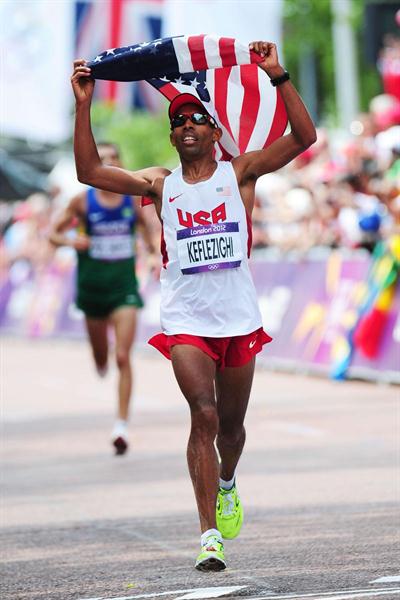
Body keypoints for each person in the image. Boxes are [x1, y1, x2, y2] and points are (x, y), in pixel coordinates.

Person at [70, 40, 316, 570]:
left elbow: (304, 137)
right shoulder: (160, 185)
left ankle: (227, 481)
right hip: (185, 320)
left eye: (196, 120)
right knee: (201, 414)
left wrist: (278, 75)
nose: (187, 128)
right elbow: (90, 172)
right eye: (178, 121)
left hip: (239, 316)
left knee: (231, 427)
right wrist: (84, 104)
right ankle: (208, 535)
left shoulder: (241, 173)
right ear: (172, 134)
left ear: (212, 131)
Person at [49, 142, 157, 455]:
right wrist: (71, 239)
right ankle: (99, 357)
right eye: (103, 160)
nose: (108, 164)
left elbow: (147, 237)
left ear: (121, 165)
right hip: (92, 289)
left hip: (123, 288)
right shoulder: (82, 202)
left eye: (114, 159)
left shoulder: (132, 202)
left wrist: (151, 257)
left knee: (122, 357)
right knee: (102, 359)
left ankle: (121, 426)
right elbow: (53, 234)